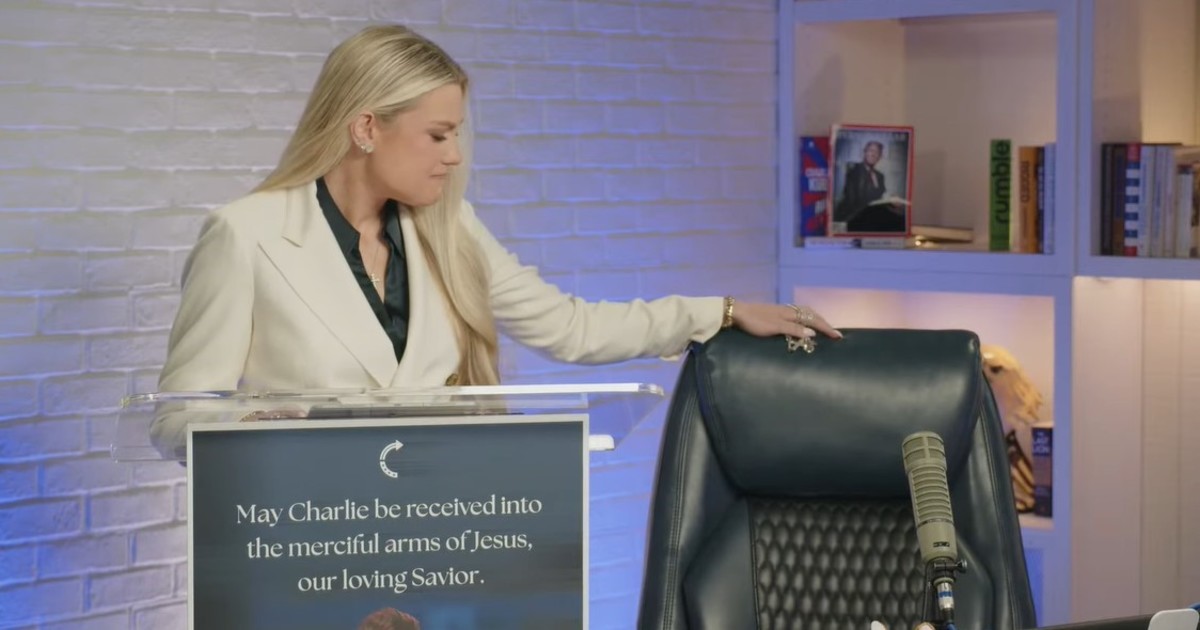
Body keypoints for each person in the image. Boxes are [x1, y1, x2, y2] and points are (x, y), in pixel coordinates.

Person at [151, 25, 840, 450]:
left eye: (456, 134)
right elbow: (177, 418)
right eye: (437, 135)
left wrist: (719, 312)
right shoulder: (246, 235)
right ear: (365, 128)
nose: (453, 156)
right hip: (303, 543)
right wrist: (270, 428)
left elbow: (570, 328)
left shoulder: (452, 230)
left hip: (439, 528)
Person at [835, 140, 906, 234]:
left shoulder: (880, 176)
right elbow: (854, 200)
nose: (873, 154)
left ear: (880, 157)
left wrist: (891, 202)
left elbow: (878, 199)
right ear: (865, 152)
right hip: (855, 220)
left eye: (877, 152)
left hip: (873, 221)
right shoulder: (854, 171)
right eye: (871, 150)